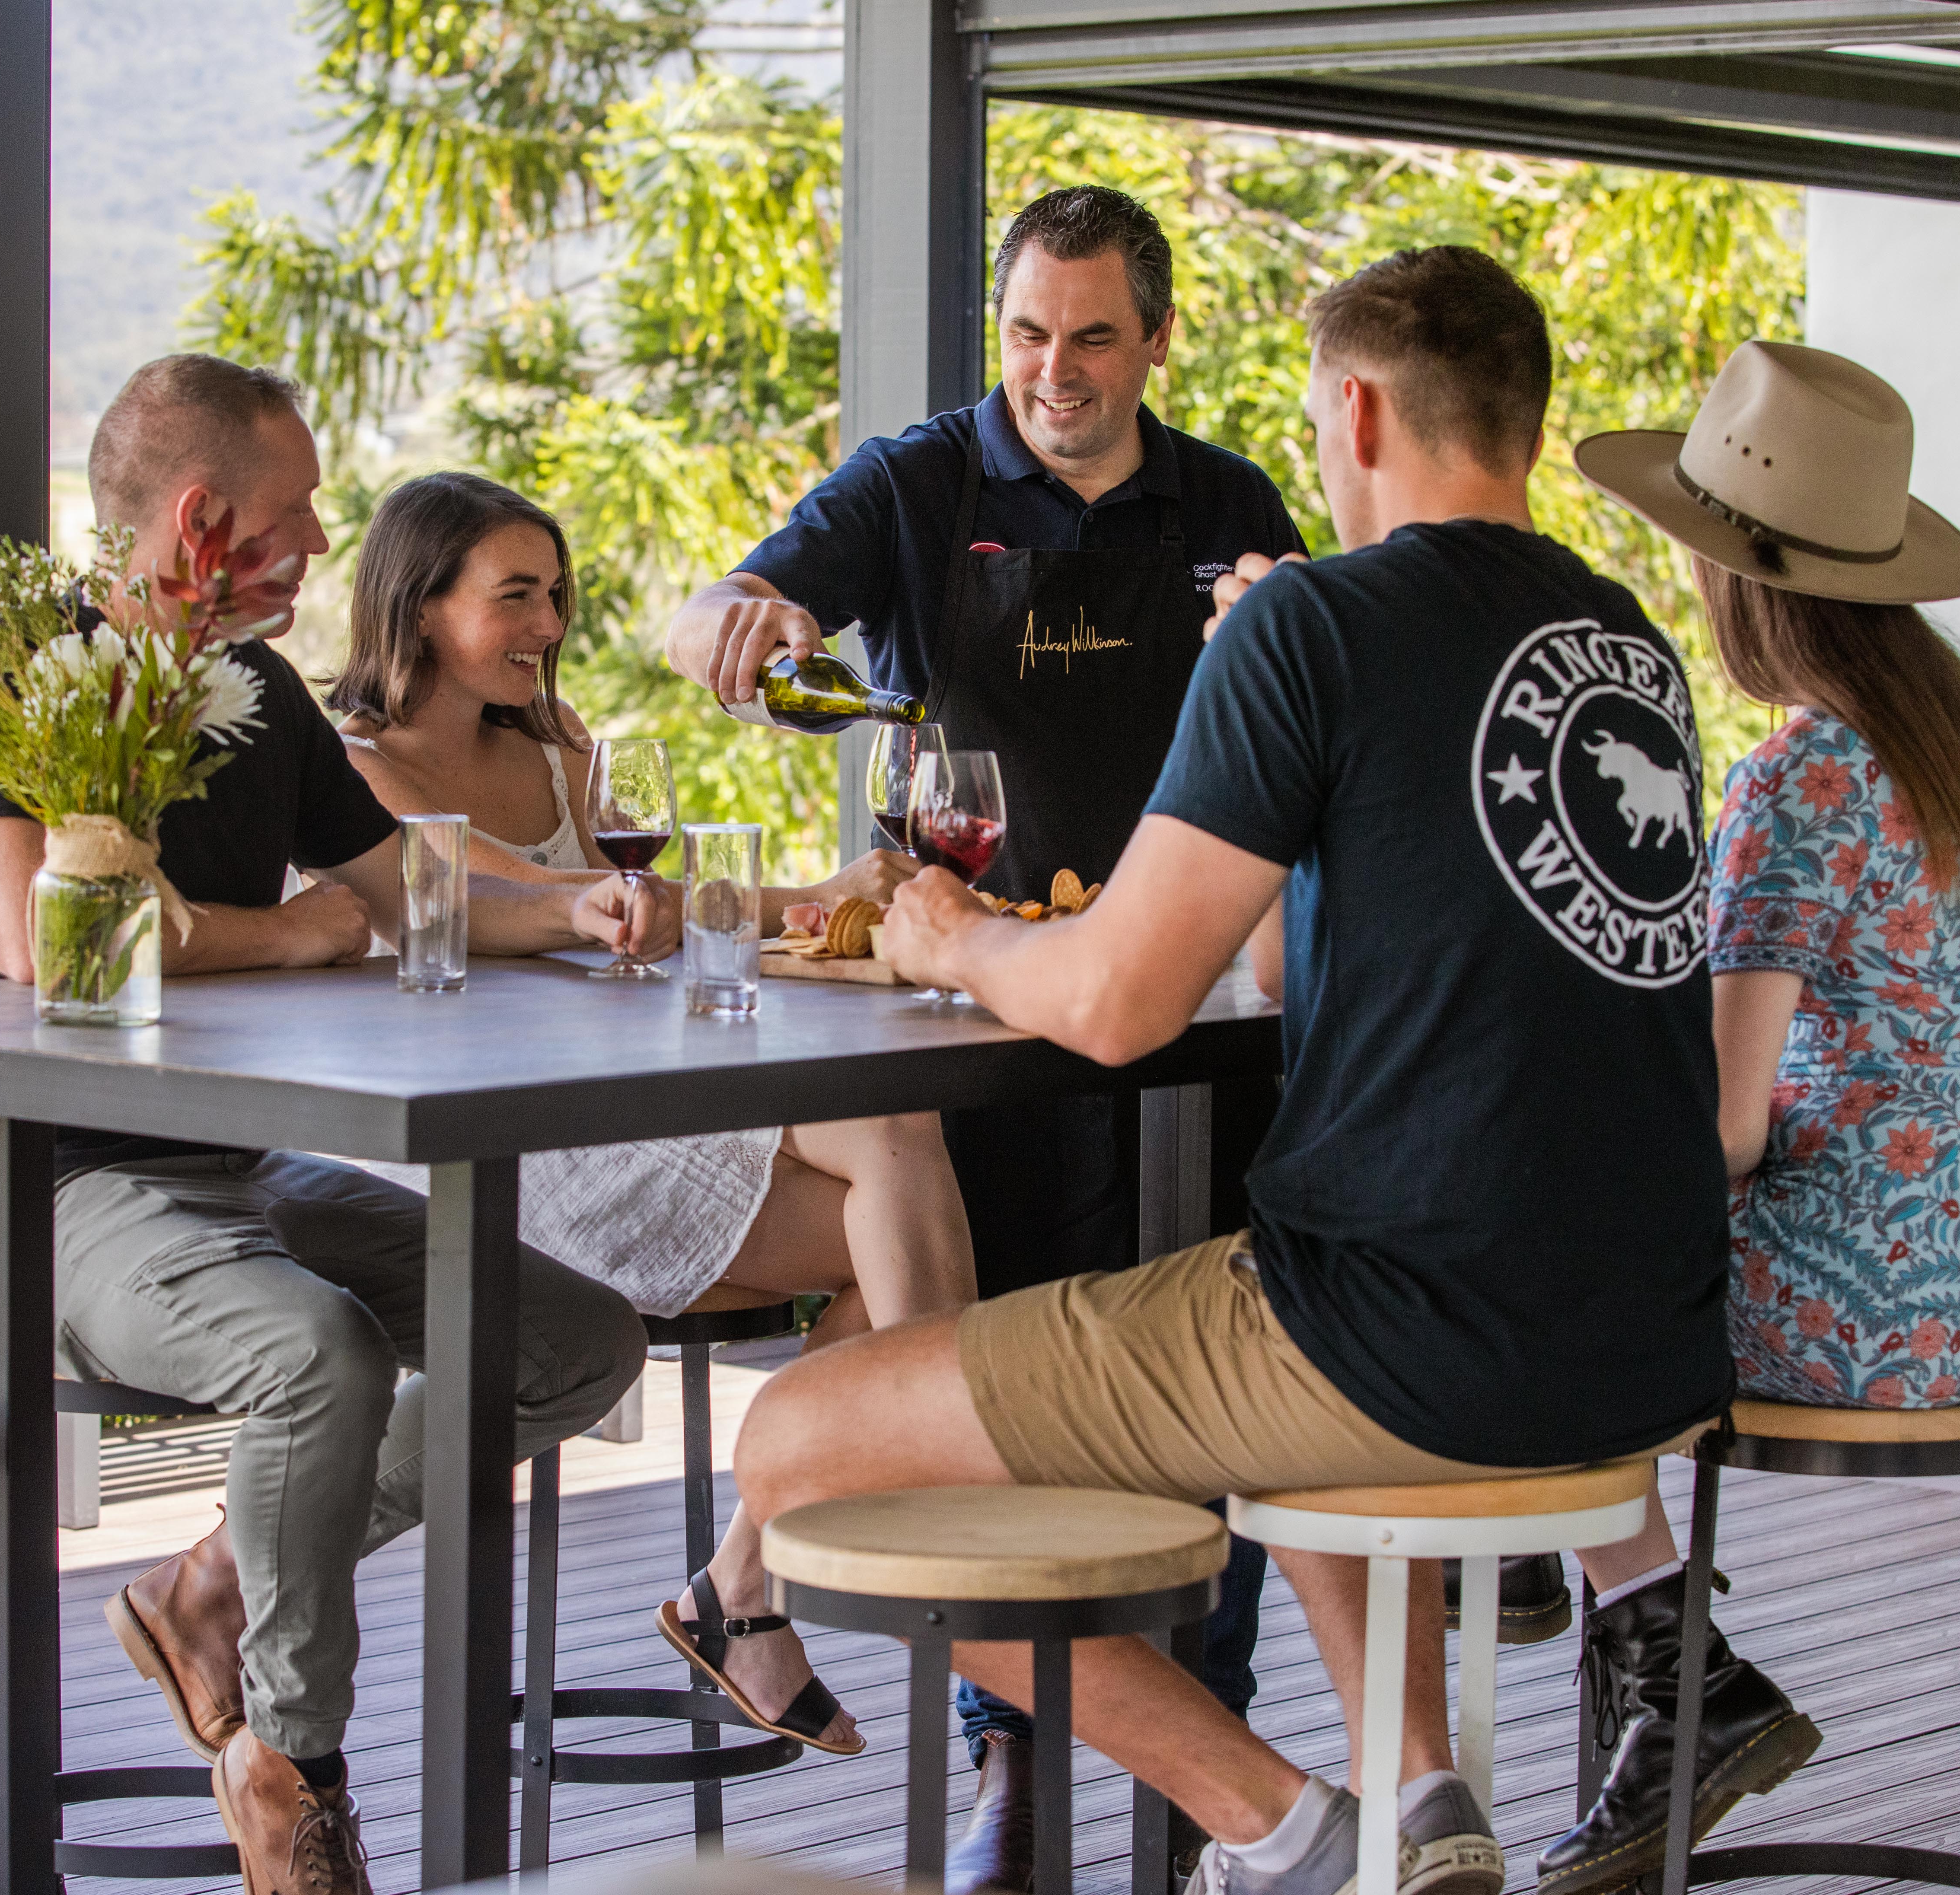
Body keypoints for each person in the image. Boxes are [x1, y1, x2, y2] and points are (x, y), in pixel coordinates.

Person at [732, 244, 1734, 1895]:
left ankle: (1278, 1826)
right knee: (1270, 1298)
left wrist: (944, 942)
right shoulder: (1619, 637)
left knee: (793, 1445)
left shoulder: (1316, 621)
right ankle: (1422, 1813)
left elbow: (1123, 1001)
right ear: (1526, 424)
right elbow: (1283, 958)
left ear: (1353, 408)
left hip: (1401, 1331)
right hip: (1644, 1337)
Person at [0, 354, 651, 1895]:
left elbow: (414, 892)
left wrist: (590, 900)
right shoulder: (14, 665)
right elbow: (43, 937)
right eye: (296, 515)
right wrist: (281, 938)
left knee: (568, 1339)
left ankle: (212, 1584)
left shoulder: (262, 696)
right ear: (201, 514)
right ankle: (296, 1776)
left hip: (228, 1162)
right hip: (28, 1186)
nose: (319, 543)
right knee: (320, 1353)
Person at [663, 181, 1339, 1888]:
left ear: (1157, 340)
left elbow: (1330, 726)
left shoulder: (1232, 500)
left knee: (1203, 1403)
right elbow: (714, 617)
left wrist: (1283, 619)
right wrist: (741, 628)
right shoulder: (919, 481)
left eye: (1092, 336)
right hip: (973, 1015)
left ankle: (1199, 1770)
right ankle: (1015, 1770)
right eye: (1028, 333)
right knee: (990, 1398)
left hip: (1188, 1019)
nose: (1052, 369)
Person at [330, 468, 982, 1755]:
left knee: (897, 1154)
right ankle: (923, 1518)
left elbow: (666, 911)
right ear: (416, 608)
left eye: (556, 595)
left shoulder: (568, 755)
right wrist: (809, 887)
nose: (549, 624)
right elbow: (548, 899)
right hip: (485, 1155)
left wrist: (832, 892)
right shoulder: (354, 773)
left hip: (632, 1108)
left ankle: (748, 1577)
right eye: (515, 595)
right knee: (894, 1168)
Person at [1528, 338, 1960, 1894]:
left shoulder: (1799, 782)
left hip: (1851, 1315)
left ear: (1745, 584)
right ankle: (1608, 1635)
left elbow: (1727, 1133)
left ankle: (1660, 1667)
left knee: (1528, 1281)